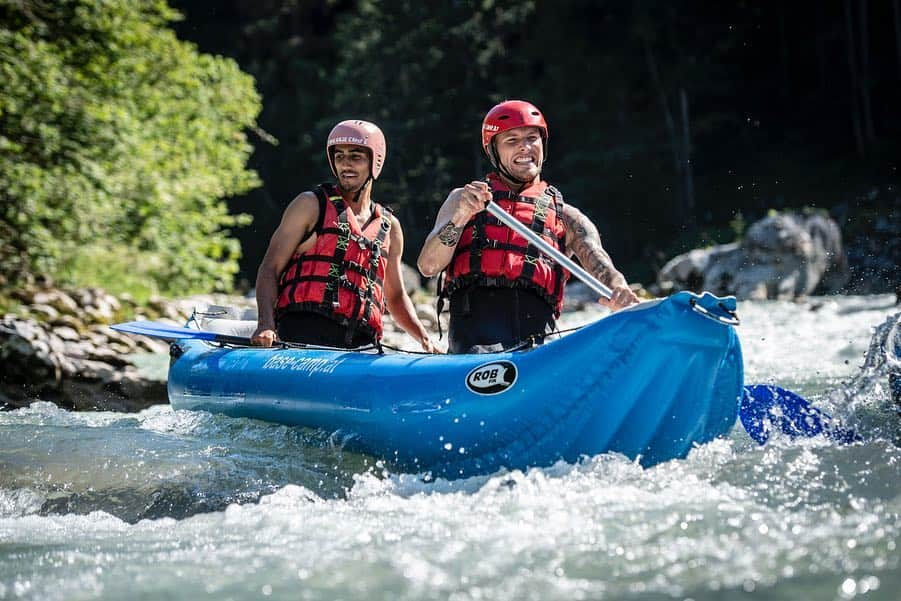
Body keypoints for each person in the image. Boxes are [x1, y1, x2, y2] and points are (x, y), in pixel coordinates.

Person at [417, 100, 639, 354]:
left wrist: (620, 289)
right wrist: (461, 217)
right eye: (511, 141)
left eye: (532, 138)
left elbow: (602, 266)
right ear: (493, 152)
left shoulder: (567, 217)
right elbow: (428, 266)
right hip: (471, 344)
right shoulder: (462, 200)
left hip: (536, 348)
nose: (525, 147)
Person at [252, 119, 438, 352]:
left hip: (361, 345)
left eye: (356, 157)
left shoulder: (390, 227)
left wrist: (424, 338)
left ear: (375, 161)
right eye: (339, 157)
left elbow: (395, 296)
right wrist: (265, 324)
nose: (346, 165)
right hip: (302, 334)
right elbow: (269, 268)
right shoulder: (310, 205)